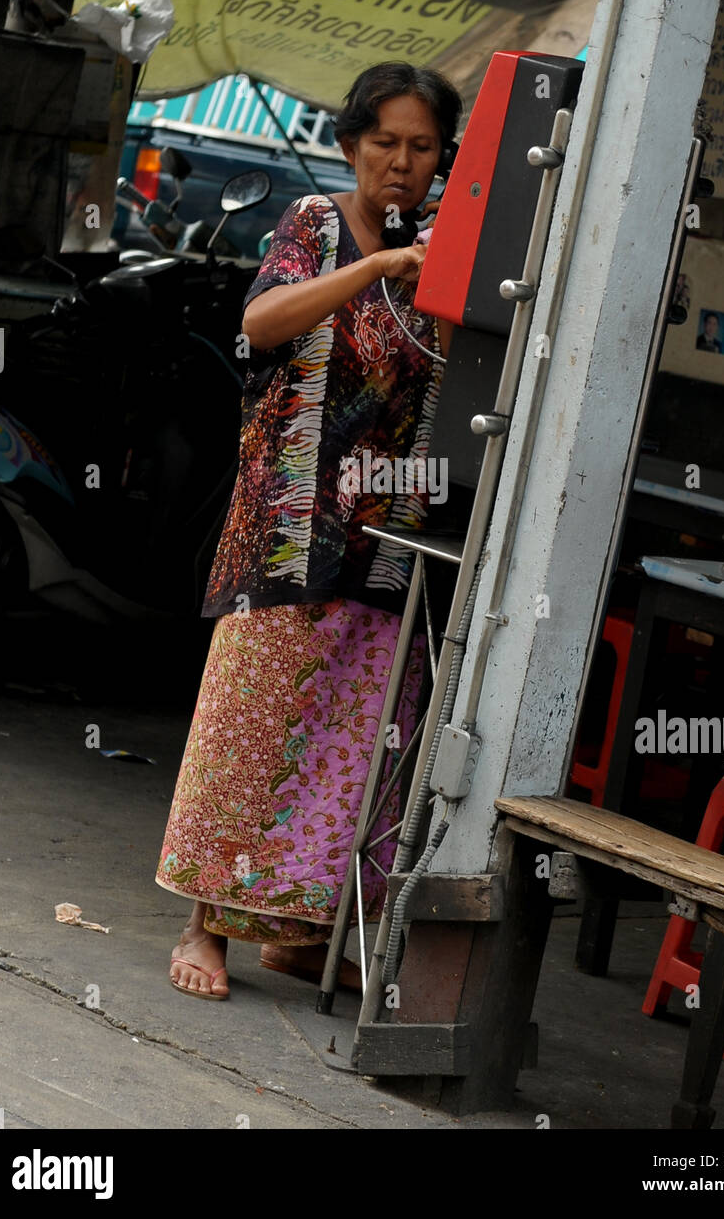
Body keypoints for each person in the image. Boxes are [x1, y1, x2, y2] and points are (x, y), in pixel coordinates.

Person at [156, 62, 463, 999]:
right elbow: (259, 323)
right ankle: (203, 927)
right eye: (384, 144)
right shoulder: (315, 226)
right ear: (349, 145)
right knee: (252, 731)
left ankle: (302, 930)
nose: (401, 164)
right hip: (288, 528)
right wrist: (373, 267)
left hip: (388, 535)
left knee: (359, 736)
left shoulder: (447, 249)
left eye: (420, 148)